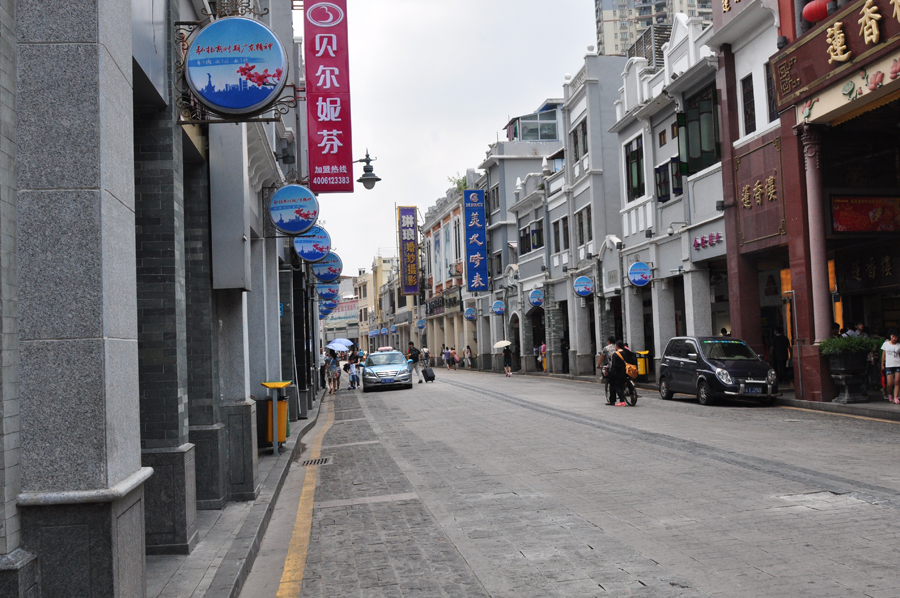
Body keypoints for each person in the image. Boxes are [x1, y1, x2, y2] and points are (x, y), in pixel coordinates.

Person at [609, 340, 633, 406]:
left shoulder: (615, 354)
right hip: (628, 371)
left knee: (617, 386)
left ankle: (622, 401)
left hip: (619, 373)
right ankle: (632, 394)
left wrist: (612, 374)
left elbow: (614, 366)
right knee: (626, 382)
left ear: (616, 346)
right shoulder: (627, 353)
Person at [881, 328, 900, 404]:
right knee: (889, 383)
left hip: (898, 364)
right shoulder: (886, 344)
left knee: (897, 381)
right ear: (890, 336)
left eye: (896, 337)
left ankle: (896, 397)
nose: (894, 338)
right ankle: (889, 394)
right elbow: (883, 355)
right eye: (893, 336)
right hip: (889, 365)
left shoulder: (899, 345)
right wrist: (882, 364)